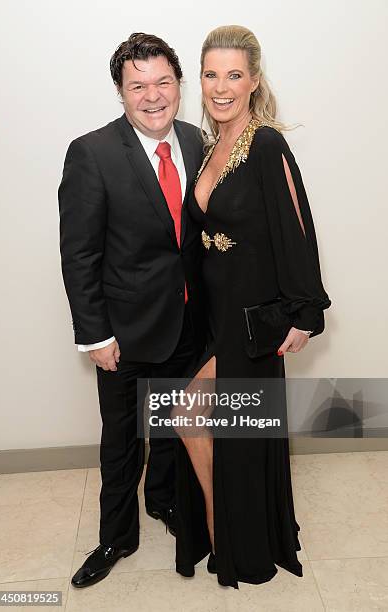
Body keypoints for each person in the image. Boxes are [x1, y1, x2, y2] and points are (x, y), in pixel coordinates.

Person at [172, 25, 331, 589]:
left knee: (199, 418)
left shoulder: (267, 145)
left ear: (254, 81)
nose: (221, 87)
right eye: (211, 74)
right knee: (215, 427)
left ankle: (230, 535)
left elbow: (297, 231)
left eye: (233, 75)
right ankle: (232, 532)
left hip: (251, 319)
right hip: (214, 316)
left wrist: (304, 314)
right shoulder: (207, 144)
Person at [58, 32, 206, 588]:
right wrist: (94, 335)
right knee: (123, 442)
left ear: (179, 86)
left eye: (163, 82)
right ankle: (116, 536)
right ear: (120, 91)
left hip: (188, 325)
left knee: (171, 427)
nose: (152, 95)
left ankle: (164, 502)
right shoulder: (91, 153)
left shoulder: (196, 142)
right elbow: (79, 254)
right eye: (137, 85)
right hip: (123, 331)